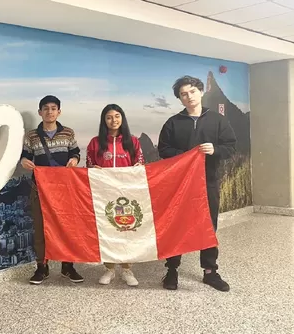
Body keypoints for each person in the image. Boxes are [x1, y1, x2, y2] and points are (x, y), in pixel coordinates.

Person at [158, 75, 236, 292]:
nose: (189, 96)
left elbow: (230, 147)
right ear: (180, 99)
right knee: (176, 225)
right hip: (180, 184)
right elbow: (163, 150)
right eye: (184, 94)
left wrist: (215, 150)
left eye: (192, 91)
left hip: (208, 182)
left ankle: (210, 271)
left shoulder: (218, 120)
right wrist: (186, 155)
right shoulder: (173, 123)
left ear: (200, 92)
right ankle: (172, 269)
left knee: (208, 226)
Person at [21, 95, 83, 285]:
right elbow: (25, 155)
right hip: (40, 189)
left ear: (59, 111)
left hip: (65, 189)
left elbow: (75, 152)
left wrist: (74, 160)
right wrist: (24, 161)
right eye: (45, 108)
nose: (50, 111)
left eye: (53, 108)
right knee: (40, 228)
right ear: (40, 112)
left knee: (67, 227)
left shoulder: (68, 133)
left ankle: (68, 265)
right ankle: (42, 267)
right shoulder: (31, 135)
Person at [86, 104, 144, 287]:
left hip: (127, 194)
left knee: (126, 230)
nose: (114, 120)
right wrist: (93, 169)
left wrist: (136, 169)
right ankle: (109, 268)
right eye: (109, 117)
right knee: (107, 230)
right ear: (104, 120)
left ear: (122, 118)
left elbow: (140, 163)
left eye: (117, 116)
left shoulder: (133, 141)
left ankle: (127, 269)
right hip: (104, 195)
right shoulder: (95, 143)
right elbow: (88, 165)